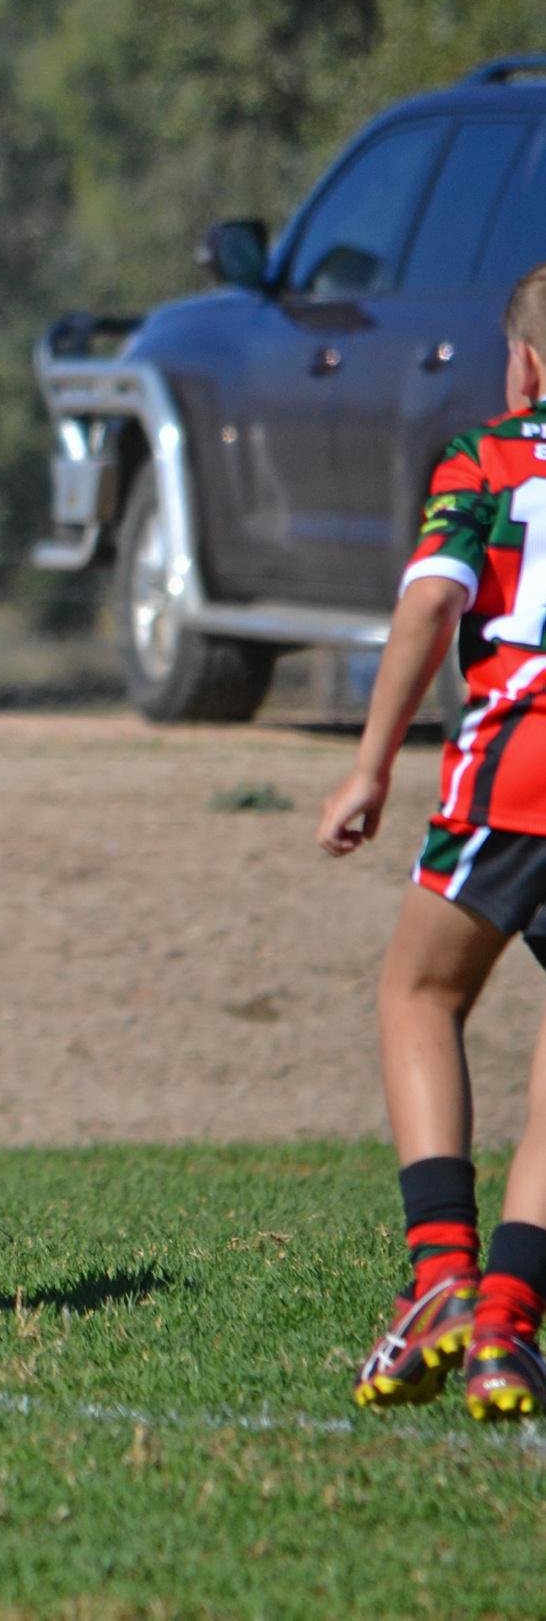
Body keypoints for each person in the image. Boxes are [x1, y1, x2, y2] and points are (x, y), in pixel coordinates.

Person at [321, 262, 546, 1422]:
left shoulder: (489, 457)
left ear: (526, 366)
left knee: (420, 995)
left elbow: (430, 603)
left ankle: (444, 1281)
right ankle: (512, 1320)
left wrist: (370, 763)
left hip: (515, 771)